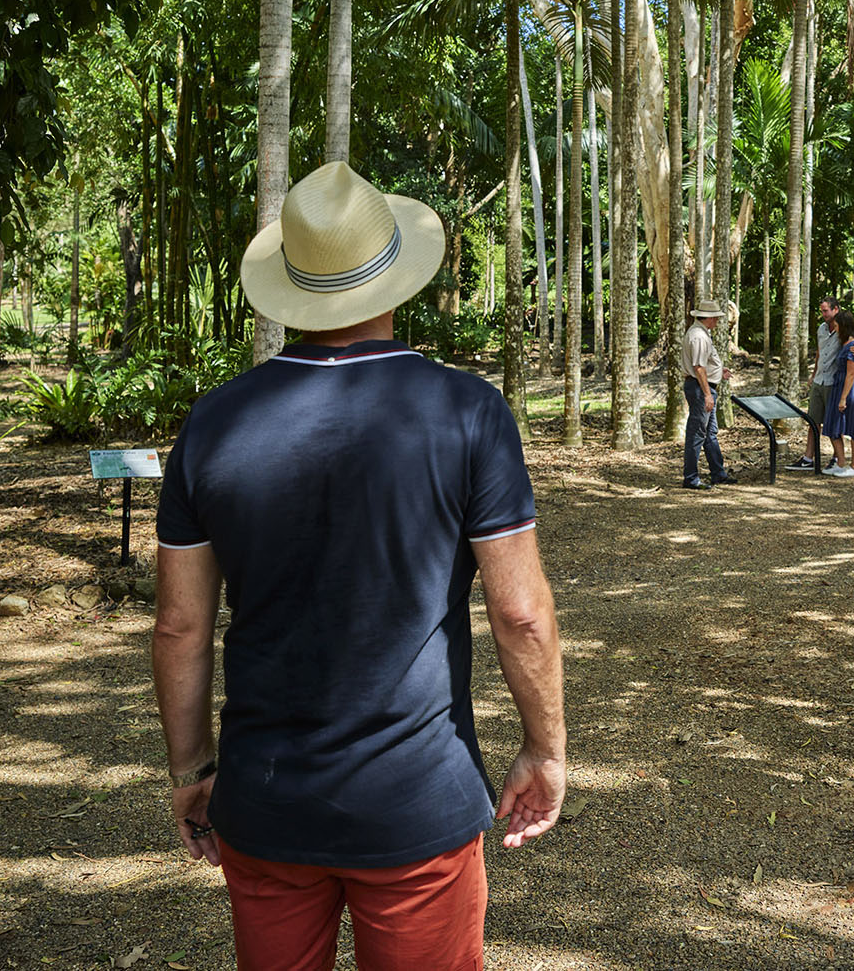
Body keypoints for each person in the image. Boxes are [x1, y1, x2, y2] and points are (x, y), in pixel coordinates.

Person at [151, 161, 565, 971]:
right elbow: (521, 613)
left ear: (295, 292)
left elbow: (180, 624)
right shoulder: (466, 411)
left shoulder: (215, 424)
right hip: (416, 798)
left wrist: (194, 767)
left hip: (267, 795)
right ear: (395, 279)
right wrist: (544, 749)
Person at [789, 297, 854, 471]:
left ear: (836, 309)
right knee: (813, 420)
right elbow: (820, 352)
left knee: (834, 422)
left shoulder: (849, 329)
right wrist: (813, 374)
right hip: (820, 379)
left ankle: (837, 459)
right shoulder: (821, 329)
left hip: (835, 382)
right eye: (822, 311)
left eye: (826, 310)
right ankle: (808, 458)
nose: (823, 314)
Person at [682, 300, 738, 490]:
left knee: (710, 433)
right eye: (716, 318)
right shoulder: (698, 336)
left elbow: (704, 364)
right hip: (700, 389)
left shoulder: (702, 333)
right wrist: (707, 394)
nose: (717, 321)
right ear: (710, 318)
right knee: (697, 433)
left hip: (705, 388)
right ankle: (690, 478)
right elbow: (698, 368)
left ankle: (718, 473)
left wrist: (719, 371)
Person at [823, 309, 854, 478]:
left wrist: (843, 398)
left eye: (837, 326)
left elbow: (851, 373)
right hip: (839, 386)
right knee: (832, 425)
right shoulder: (844, 343)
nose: (835, 329)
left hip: (851, 389)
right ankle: (841, 463)